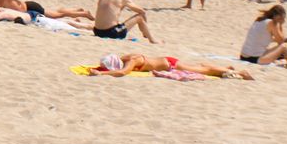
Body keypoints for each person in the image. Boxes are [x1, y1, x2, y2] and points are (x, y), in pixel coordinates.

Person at [88, 53, 251, 80]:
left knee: (205, 71)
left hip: (169, 65)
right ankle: (226, 68)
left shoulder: (131, 61)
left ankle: (239, 72)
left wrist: (102, 75)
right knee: (200, 66)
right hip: (167, 62)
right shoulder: (124, 57)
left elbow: (122, 73)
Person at [93, 0, 158, 43]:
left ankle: (145, 33)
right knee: (140, 17)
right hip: (111, 33)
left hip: (97, 32)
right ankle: (151, 39)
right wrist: (144, 24)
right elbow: (141, 11)